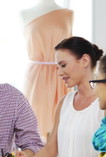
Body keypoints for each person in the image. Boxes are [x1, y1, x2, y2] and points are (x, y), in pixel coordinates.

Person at [15, 36, 106, 157]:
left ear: (85, 61)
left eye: (63, 65)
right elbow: (51, 149)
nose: (59, 73)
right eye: (57, 67)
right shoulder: (65, 102)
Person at [20, 0, 73, 139]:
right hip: (37, 76)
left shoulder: (68, 14)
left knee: (61, 122)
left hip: (61, 74)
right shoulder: (24, 14)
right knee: (36, 124)